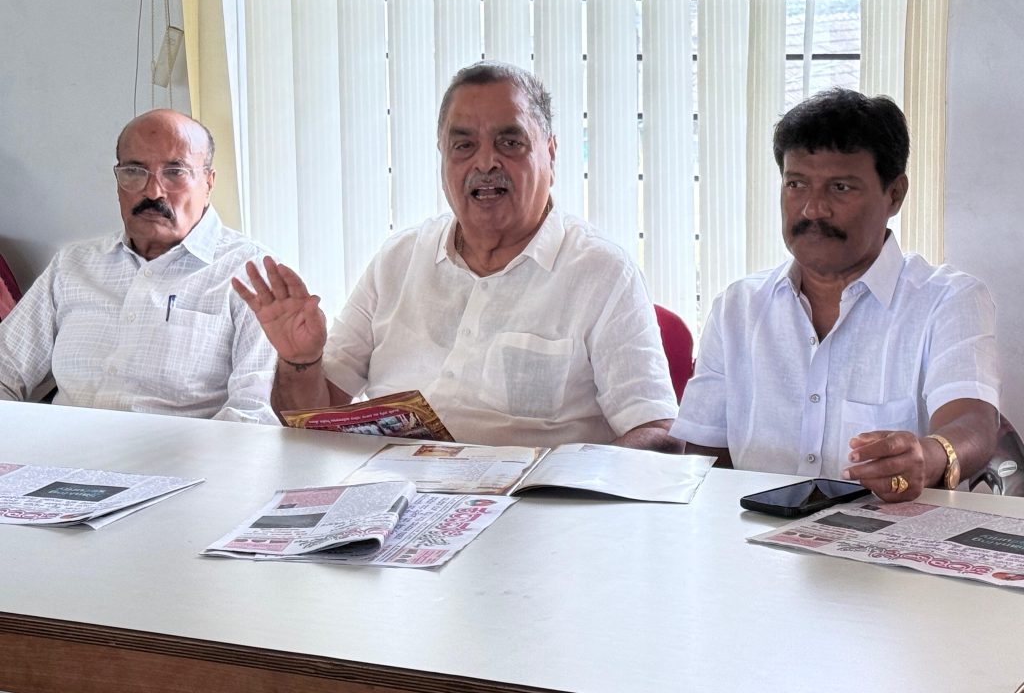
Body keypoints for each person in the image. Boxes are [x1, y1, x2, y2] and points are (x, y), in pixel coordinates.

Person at [234, 61, 679, 451]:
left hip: (534, 510)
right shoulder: (398, 259)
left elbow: (656, 432)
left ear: (550, 153)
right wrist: (301, 360)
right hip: (391, 498)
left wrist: (564, 482)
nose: (485, 163)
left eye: (510, 142)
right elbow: (311, 418)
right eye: (463, 146)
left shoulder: (601, 271)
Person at [670, 88, 1000, 501]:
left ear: (895, 194)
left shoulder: (948, 301)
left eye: (840, 188)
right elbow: (704, 459)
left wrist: (929, 455)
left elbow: (973, 423)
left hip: (888, 535)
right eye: (796, 184)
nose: (813, 209)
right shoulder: (738, 307)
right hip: (756, 537)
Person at [0, 109, 278, 422]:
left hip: (180, 452)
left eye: (175, 172)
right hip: (58, 450)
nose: (153, 191)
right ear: (118, 181)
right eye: (134, 171)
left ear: (208, 183)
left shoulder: (251, 274)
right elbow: (5, 371)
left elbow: (253, 414)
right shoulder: (74, 265)